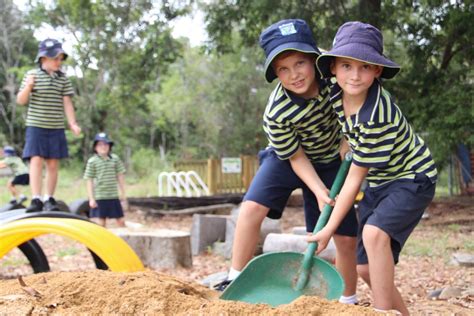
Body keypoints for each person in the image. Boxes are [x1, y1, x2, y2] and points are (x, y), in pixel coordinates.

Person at [215, 19, 359, 305]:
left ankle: (348, 301)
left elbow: (359, 99)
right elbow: (295, 157)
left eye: (300, 63)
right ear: (275, 73)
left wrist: (348, 135)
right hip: (288, 158)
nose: (294, 74)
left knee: (344, 236)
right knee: (252, 206)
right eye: (283, 68)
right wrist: (319, 191)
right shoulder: (277, 112)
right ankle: (235, 277)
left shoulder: (335, 76)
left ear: (314, 59)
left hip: (332, 158)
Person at [310, 21, 437, 314]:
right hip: (381, 181)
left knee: (374, 234)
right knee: (366, 268)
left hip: (412, 177)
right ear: (333, 68)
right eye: (346, 66)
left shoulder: (377, 114)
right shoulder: (333, 89)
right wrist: (346, 140)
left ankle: (381, 312)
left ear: (377, 70)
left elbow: (353, 181)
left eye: (365, 67)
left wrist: (328, 228)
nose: (354, 75)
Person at [16, 38, 81, 212]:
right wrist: (28, 87)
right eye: (55, 58)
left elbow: (67, 102)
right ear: (43, 59)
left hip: (55, 126)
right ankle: (36, 198)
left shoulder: (63, 79)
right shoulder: (32, 75)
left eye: (60, 59)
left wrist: (72, 123)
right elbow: (21, 101)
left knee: (52, 163)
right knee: (36, 160)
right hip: (36, 126)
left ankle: (49, 198)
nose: (58, 62)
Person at [84, 133, 127, 227]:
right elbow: (89, 180)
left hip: (113, 195)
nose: (103, 147)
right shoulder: (92, 161)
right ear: (95, 147)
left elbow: (120, 175)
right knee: (101, 223)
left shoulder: (115, 159)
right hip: (100, 196)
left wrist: (123, 193)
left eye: (105, 144)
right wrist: (91, 198)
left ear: (109, 146)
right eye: (100, 144)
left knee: (121, 221)